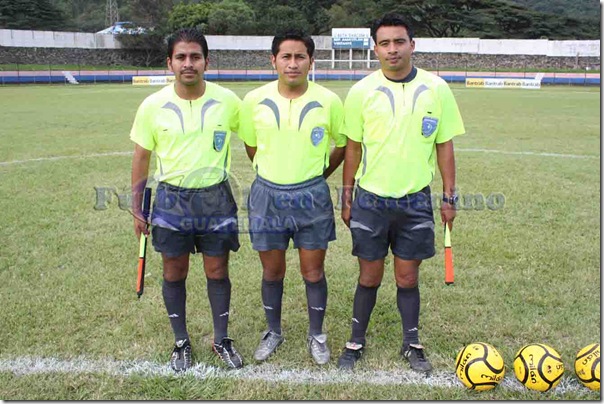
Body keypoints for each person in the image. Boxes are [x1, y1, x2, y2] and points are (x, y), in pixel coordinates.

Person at [336, 13, 465, 373]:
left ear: (412, 44)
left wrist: (449, 196)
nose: (392, 50)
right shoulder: (361, 91)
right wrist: (347, 197)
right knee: (369, 276)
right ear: (375, 48)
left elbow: (445, 145)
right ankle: (355, 341)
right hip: (371, 200)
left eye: (399, 42)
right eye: (385, 43)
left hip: (415, 201)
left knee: (407, 277)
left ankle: (412, 342)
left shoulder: (436, 88)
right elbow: (353, 149)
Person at [130, 28, 244, 372]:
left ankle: (221, 339)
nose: (188, 63)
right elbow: (141, 157)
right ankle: (181, 341)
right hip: (171, 199)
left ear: (206, 61)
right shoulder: (152, 105)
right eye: (181, 57)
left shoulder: (229, 101)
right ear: (170, 63)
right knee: (173, 271)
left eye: (195, 56)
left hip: (215, 198)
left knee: (217, 269)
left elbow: (255, 140)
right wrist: (137, 206)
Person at [238, 30, 346, 365]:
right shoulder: (253, 100)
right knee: (272, 272)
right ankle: (274, 331)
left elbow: (342, 145)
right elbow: (251, 145)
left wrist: (315, 177)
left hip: (311, 196)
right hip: (267, 195)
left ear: (311, 61)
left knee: (313, 272)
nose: (293, 63)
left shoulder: (329, 100)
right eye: (286, 56)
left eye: (300, 56)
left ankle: (317, 334)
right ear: (273, 60)